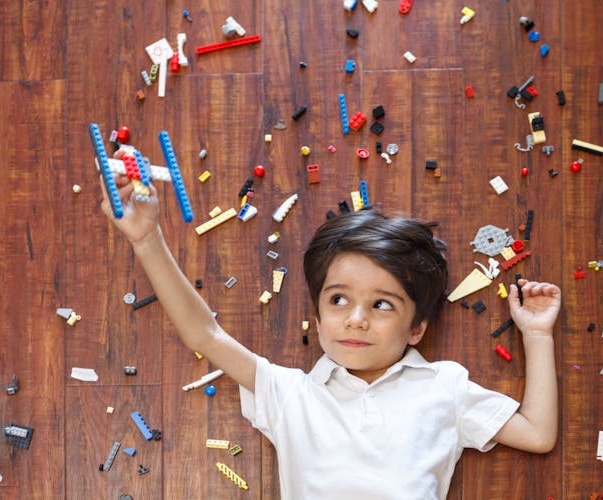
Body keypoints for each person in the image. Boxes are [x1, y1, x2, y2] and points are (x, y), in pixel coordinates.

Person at [101, 172, 562, 500]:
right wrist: (147, 239)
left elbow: (538, 434)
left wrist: (537, 335)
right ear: (318, 318)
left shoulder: (445, 387)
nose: (356, 319)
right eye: (338, 300)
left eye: (382, 305)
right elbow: (204, 333)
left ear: (418, 327)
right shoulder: (288, 393)